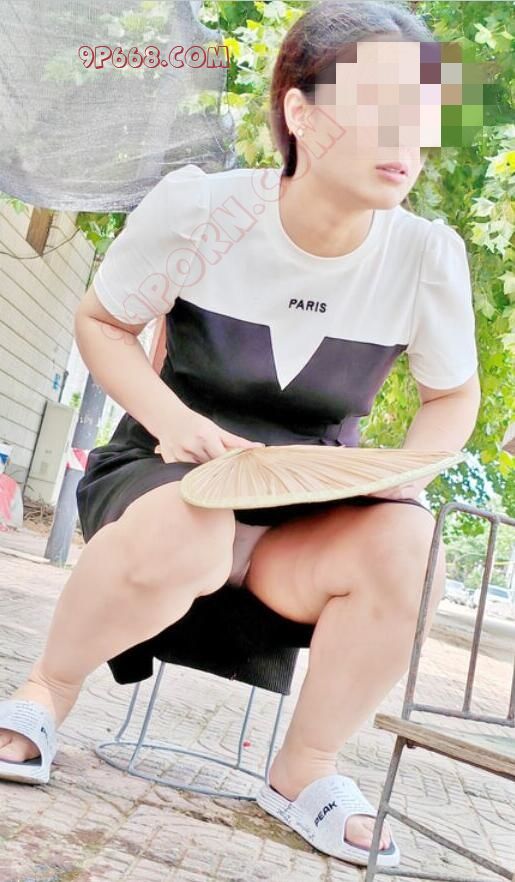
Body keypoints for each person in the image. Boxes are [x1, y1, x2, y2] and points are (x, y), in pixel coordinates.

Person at [0, 0, 480, 869]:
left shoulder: (424, 254)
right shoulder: (203, 207)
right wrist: (175, 424)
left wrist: (406, 473)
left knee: (410, 545)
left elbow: (450, 398)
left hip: (306, 518)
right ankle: (45, 693)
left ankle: (304, 773)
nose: (407, 138)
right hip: (164, 473)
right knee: (190, 524)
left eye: (423, 113)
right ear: (302, 114)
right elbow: (103, 322)